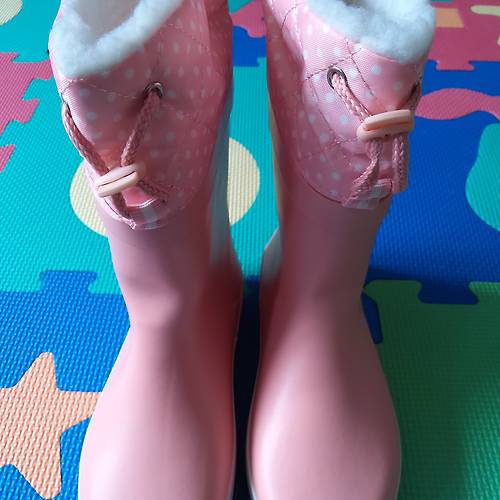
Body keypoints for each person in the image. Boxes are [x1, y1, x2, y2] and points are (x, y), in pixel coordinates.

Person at [48, 0, 435, 498]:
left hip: (324, 284)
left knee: (364, 77)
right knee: (113, 89)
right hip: (178, 292)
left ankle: (311, 293)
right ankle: (188, 308)